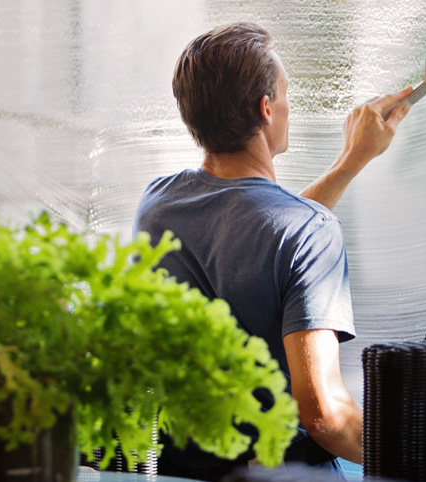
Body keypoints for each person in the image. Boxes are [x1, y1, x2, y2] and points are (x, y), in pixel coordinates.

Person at [133, 22, 411, 480]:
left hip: (179, 469)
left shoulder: (157, 205)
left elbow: (256, 231)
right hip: (277, 471)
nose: (287, 105)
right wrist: (424, 455)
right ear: (266, 109)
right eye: (285, 94)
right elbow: (323, 416)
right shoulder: (308, 231)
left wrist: (350, 162)